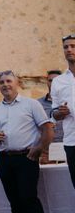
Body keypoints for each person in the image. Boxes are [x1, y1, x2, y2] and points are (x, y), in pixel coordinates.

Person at [0, 70, 53, 213]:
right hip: (4, 160)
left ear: (17, 84)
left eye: (9, 81)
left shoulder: (31, 104)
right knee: (14, 202)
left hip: (26, 158)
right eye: (2, 82)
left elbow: (47, 129)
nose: (5, 85)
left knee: (28, 200)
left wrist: (38, 149)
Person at [51, 33, 75, 188]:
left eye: (73, 46)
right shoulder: (58, 81)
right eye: (66, 47)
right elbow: (54, 113)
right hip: (71, 141)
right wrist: (60, 112)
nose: (69, 49)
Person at [36, 69, 64, 163]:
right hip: (46, 151)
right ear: (47, 82)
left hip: (68, 147)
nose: (53, 83)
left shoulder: (70, 102)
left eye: (56, 80)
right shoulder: (37, 104)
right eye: (50, 80)